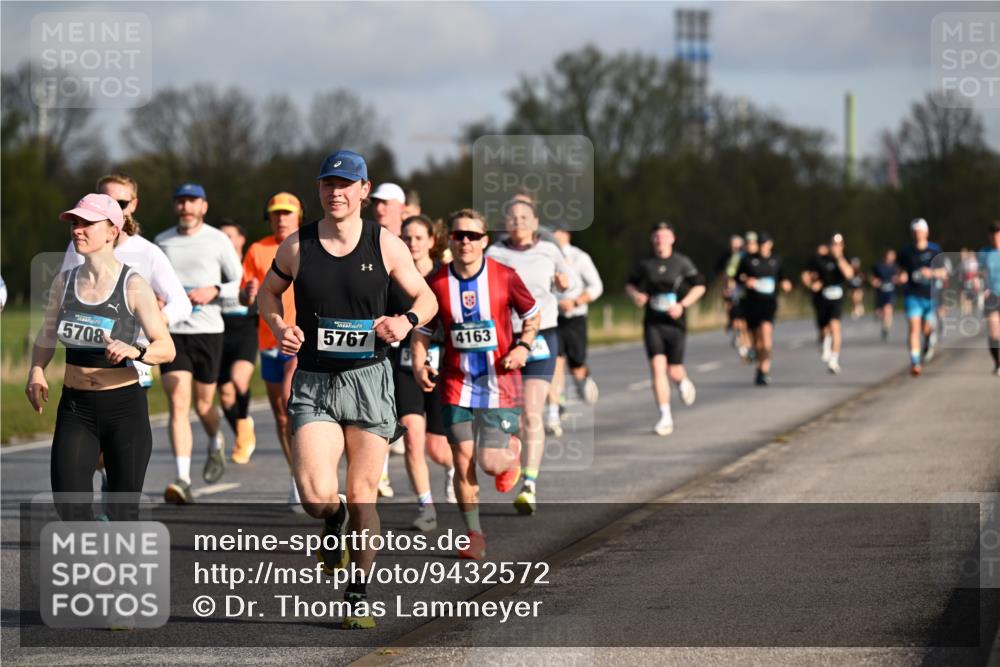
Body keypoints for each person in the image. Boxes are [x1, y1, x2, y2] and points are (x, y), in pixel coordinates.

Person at [257, 150, 437, 629]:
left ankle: (357, 591)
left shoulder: (386, 244)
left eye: (345, 184)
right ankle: (330, 521)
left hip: (370, 381)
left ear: (363, 190)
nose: (335, 192)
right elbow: (266, 292)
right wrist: (278, 325)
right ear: (319, 190)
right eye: (327, 184)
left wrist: (406, 321)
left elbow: (428, 298)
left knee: (363, 495)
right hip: (314, 380)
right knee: (317, 496)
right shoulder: (298, 246)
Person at [26, 194, 175, 523]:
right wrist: (36, 370)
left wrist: (136, 351)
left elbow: (166, 346)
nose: (77, 230)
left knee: (123, 513)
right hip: (76, 408)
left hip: (124, 410)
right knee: (70, 507)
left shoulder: (133, 285)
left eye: (87, 224)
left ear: (111, 231)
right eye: (74, 224)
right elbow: (46, 336)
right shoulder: (63, 282)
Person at [412, 208, 538, 559]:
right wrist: (420, 362)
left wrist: (523, 347)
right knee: (462, 459)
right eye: (458, 235)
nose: (465, 241)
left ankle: (510, 456)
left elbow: (532, 316)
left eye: (472, 236)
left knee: (490, 463)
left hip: (500, 381)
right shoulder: (436, 283)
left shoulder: (505, 276)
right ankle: (474, 533)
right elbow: (422, 329)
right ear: (449, 240)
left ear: (484, 240)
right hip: (456, 383)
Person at [60, 174, 192, 504]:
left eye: (119, 203)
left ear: (130, 207)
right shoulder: (78, 246)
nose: (109, 208)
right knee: (93, 452)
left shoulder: (148, 253)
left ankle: (116, 491)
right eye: (101, 201)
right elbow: (63, 298)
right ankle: (109, 481)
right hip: (86, 366)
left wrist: (148, 328)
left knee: (114, 442)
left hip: (134, 360)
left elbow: (181, 302)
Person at [155, 183, 243, 503]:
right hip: (173, 331)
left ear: (203, 207)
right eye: (180, 202)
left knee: (204, 406)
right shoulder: (162, 242)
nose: (185, 208)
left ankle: (215, 439)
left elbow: (239, 281)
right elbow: (148, 281)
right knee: (178, 401)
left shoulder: (218, 240)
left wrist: (214, 290)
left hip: (209, 331)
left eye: (192, 202)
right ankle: (182, 479)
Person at [486, 199, 573, 515]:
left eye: (525, 217)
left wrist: (564, 284)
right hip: (505, 340)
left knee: (532, 410)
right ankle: (512, 450)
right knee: (507, 412)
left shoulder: (550, 251)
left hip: (541, 337)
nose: (519, 222)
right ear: (505, 222)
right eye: (512, 217)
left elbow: (568, 283)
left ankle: (530, 485)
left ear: (535, 222)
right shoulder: (493, 254)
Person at [388, 215, 456, 531]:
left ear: (431, 241)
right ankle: (426, 506)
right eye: (406, 238)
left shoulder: (445, 278)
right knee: (412, 438)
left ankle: (453, 469)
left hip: (442, 363)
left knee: (437, 448)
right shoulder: (392, 278)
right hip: (403, 364)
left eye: (418, 237)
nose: (412, 243)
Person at [240, 192, 304, 505]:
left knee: (292, 403)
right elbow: (244, 298)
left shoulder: (307, 245)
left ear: (298, 216)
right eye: (276, 213)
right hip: (269, 340)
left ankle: (310, 473)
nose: (281, 218)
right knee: (281, 415)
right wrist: (248, 292)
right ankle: (296, 475)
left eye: (287, 213)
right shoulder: (257, 249)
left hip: (300, 338)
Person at [625, 222, 706, 436]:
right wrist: (637, 296)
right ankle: (665, 416)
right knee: (657, 367)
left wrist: (683, 305)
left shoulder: (681, 262)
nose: (660, 240)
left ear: (672, 238)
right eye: (657, 237)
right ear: (653, 240)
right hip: (653, 322)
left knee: (674, 370)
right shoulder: (646, 264)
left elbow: (699, 285)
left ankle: (683, 381)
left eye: (664, 236)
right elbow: (630, 284)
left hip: (676, 323)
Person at [545, 219, 603, 437]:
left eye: (557, 232)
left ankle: (582, 379)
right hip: (552, 319)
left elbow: (597, 286)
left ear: (567, 233)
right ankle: (552, 413)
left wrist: (576, 302)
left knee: (577, 363)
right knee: (554, 364)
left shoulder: (580, 257)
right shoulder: (544, 255)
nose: (554, 236)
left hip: (575, 317)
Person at [216, 220, 258, 464]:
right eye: (221, 236)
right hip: (220, 332)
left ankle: (243, 431)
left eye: (230, 236)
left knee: (240, 381)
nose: (225, 241)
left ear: (242, 239)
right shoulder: (214, 268)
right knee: (225, 395)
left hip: (246, 331)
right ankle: (244, 429)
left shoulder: (251, 264)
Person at [736, 233, 792, 385]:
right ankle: (759, 366)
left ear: (770, 244)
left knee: (766, 332)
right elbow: (737, 277)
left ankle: (764, 370)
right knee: (756, 338)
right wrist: (747, 280)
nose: (762, 247)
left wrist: (786, 284)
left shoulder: (776, 260)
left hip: (769, 303)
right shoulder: (748, 259)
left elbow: (783, 277)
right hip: (752, 303)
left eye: (765, 243)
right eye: (760, 244)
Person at [896, 218, 946, 376]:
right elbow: (900, 272)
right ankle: (915, 361)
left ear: (926, 232)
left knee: (925, 328)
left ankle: (929, 336)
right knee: (914, 327)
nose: (918, 235)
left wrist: (930, 273)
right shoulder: (905, 252)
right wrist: (901, 277)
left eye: (921, 232)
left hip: (930, 295)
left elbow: (944, 273)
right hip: (912, 294)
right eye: (915, 232)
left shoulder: (934, 250)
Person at [802, 234, 854, 374]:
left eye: (839, 245)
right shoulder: (819, 260)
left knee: (835, 326)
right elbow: (806, 274)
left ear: (842, 246)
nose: (836, 247)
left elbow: (849, 274)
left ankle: (834, 360)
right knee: (824, 330)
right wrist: (811, 284)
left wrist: (840, 259)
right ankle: (824, 343)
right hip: (821, 299)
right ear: (829, 245)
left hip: (837, 299)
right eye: (833, 244)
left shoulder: (845, 259)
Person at [978, 222, 1000, 376]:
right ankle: (998, 363)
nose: (995, 239)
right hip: (991, 295)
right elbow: (979, 272)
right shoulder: (984, 253)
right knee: (993, 330)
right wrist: (978, 283)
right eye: (993, 236)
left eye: (998, 235)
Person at [869, 249, 899, 342]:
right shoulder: (878, 266)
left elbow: (900, 277)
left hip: (890, 292)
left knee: (888, 310)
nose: (890, 258)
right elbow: (872, 276)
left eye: (892, 256)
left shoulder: (896, 267)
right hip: (880, 292)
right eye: (889, 255)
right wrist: (874, 281)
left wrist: (897, 279)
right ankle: (879, 316)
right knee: (880, 311)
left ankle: (886, 330)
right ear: (885, 256)